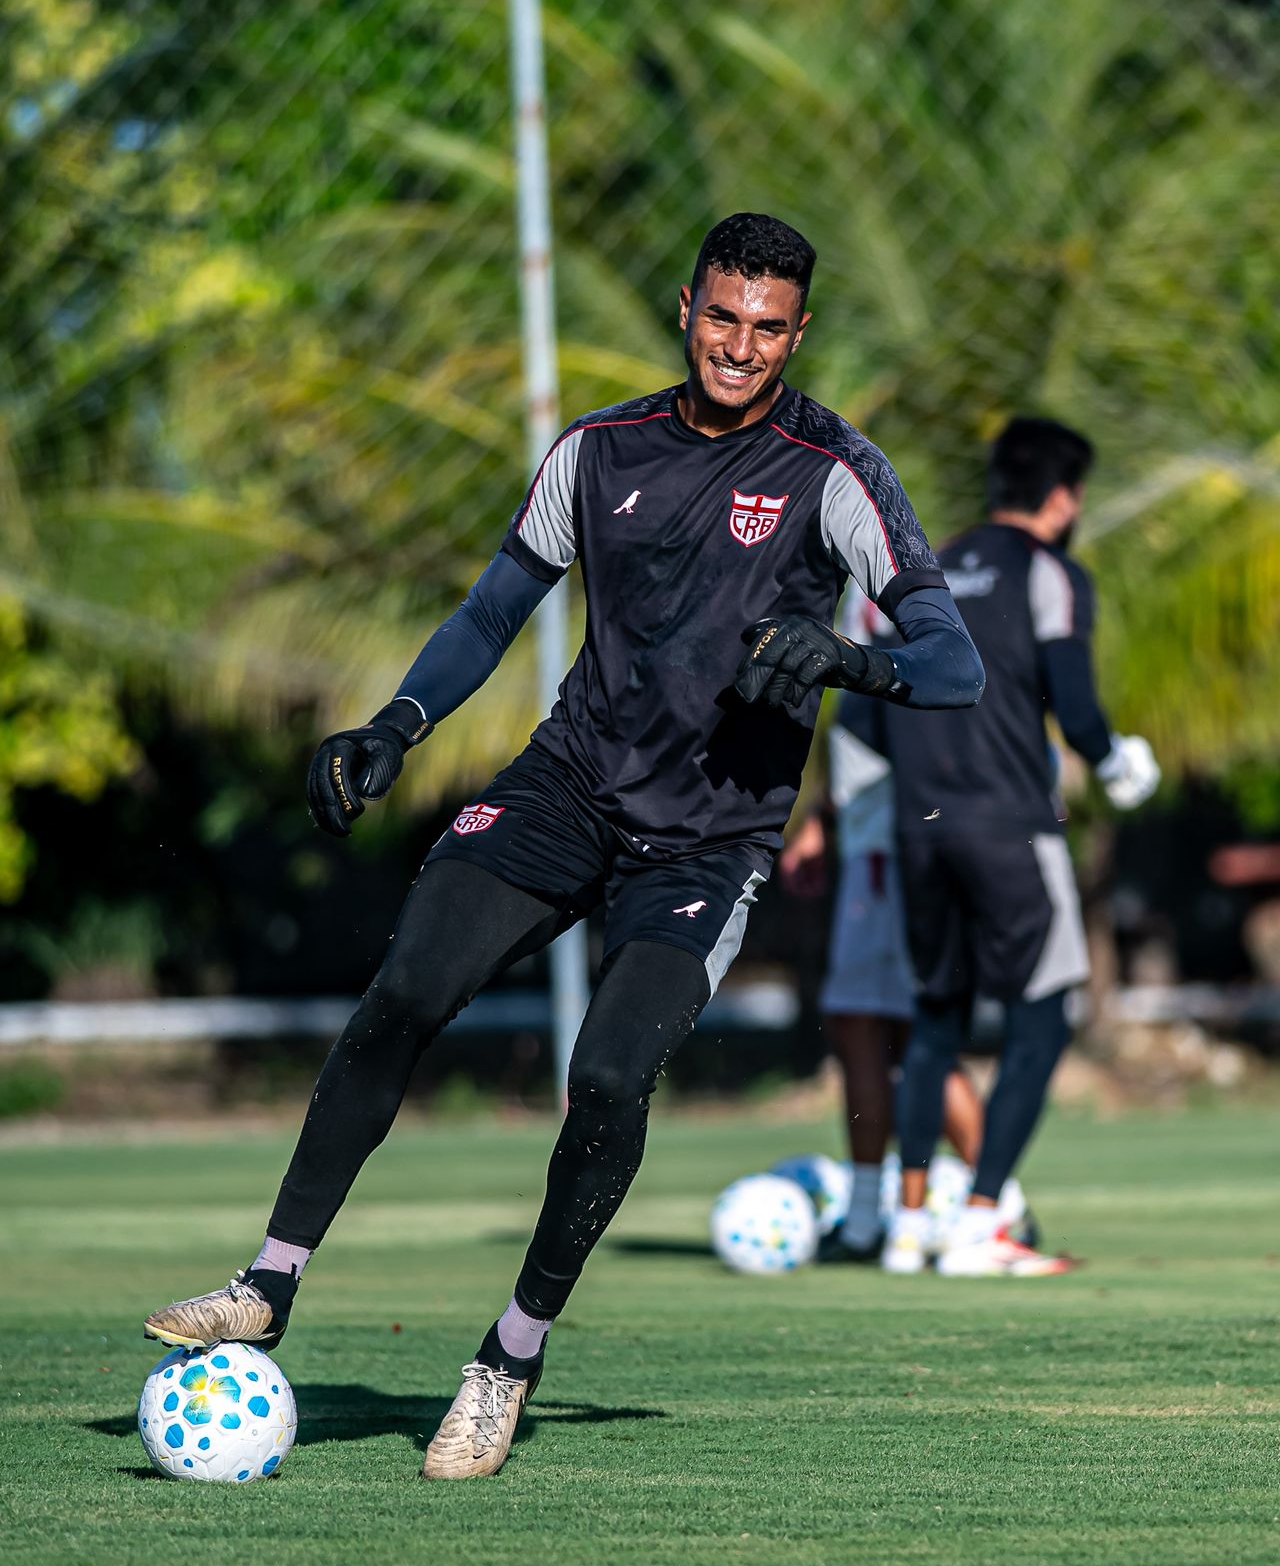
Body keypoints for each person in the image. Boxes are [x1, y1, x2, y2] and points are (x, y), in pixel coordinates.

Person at [144, 213, 984, 1477]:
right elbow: (491, 610)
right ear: (684, 308)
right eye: (720, 316)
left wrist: (850, 660)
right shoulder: (597, 451)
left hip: (708, 844)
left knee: (605, 1078)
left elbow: (953, 662)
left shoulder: (833, 472)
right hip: (567, 786)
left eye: (766, 327)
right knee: (405, 991)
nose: (738, 345)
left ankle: (507, 1359)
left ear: (797, 332)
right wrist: (396, 724)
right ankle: (265, 1284)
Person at [877, 416, 1159, 1277]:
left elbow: (872, 703)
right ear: (1064, 498)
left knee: (937, 1016)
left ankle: (909, 1225)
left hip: (918, 827)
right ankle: (982, 1219)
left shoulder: (923, 569)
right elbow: (1074, 706)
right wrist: (1117, 764)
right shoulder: (1049, 573)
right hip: (1008, 828)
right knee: (1043, 1014)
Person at [779, 592, 984, 1261]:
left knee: (897, 1033)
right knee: (883, 1030)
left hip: (894, 861)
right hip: (882, 851)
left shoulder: (898, 595)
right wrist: (824, 820)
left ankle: (990, 1204)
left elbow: (912, 712)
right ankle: (887, 1215)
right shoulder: (865, 598)